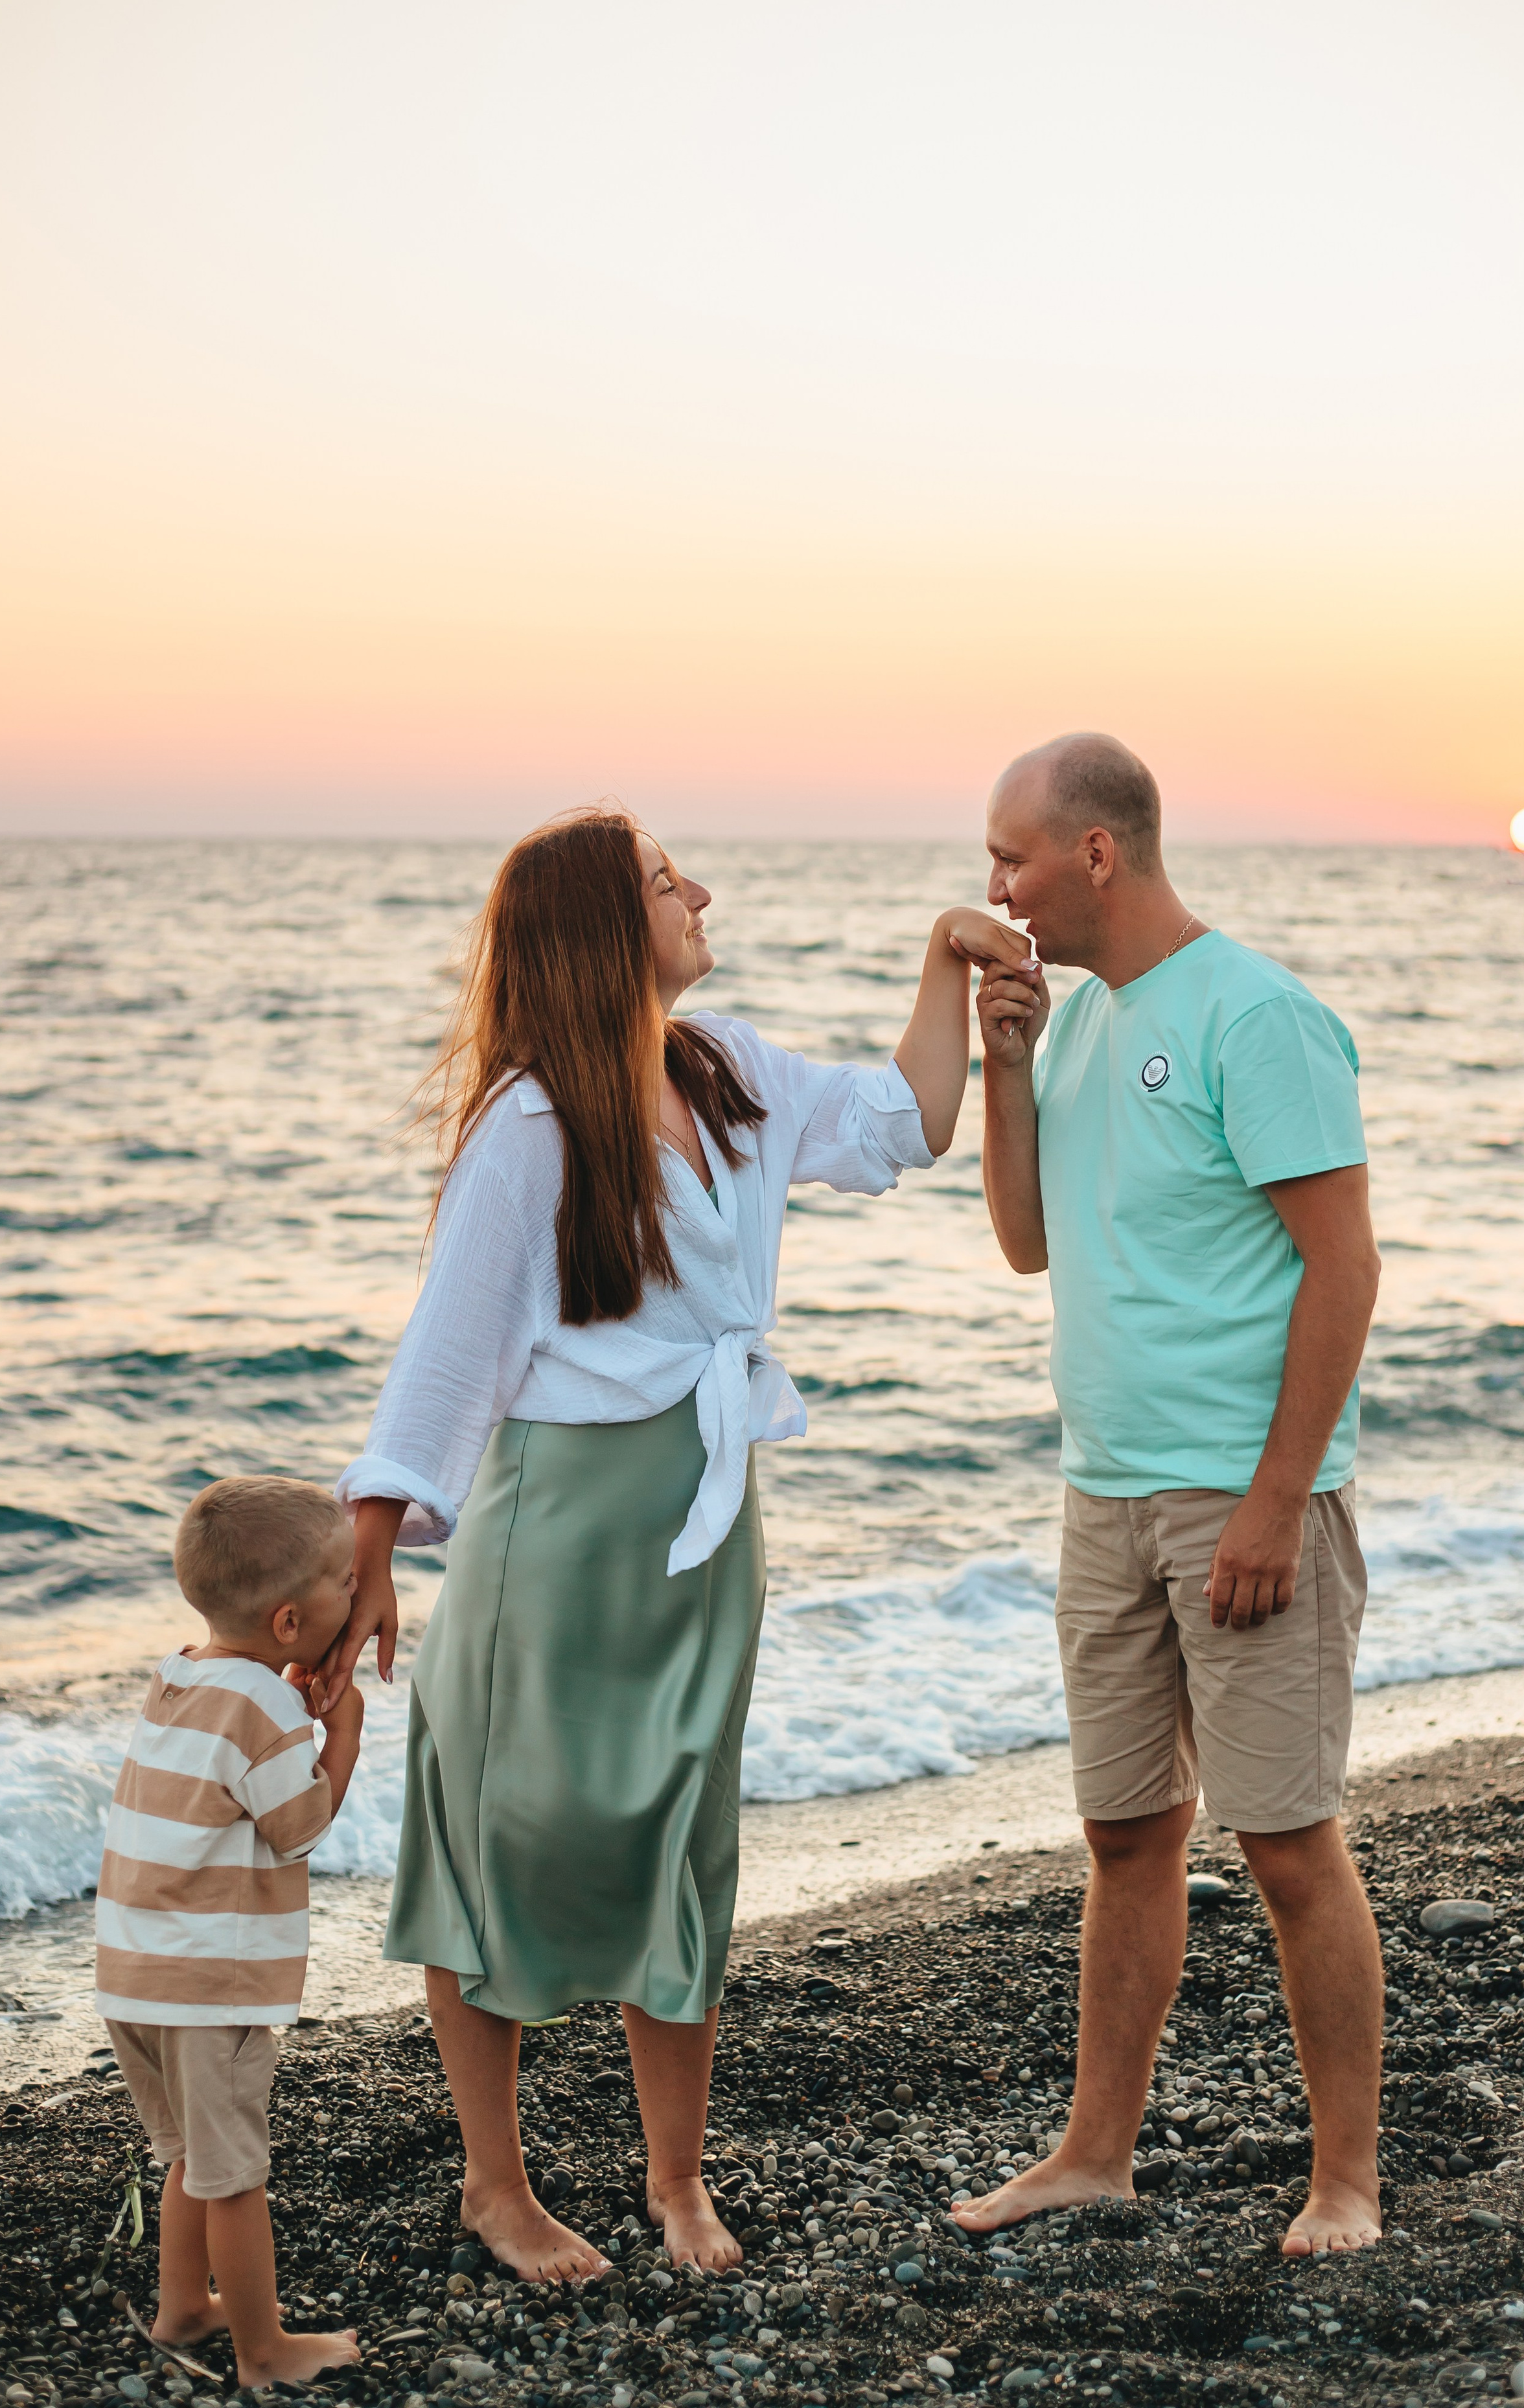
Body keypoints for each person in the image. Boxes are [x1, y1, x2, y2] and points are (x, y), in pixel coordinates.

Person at [323, 807, 1028, 2286]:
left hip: (705, 1523)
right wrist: (371, 1543)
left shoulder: (727, 1071)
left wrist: (944, 967)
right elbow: (447, 1356)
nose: (698, 890)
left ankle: (674, 2180)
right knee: (499, 1834)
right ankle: (495, 2185)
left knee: (680, 1838)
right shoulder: (528, 1126)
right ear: (599, 925)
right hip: (558, 1532)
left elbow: (908, 1119)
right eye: (663, 880)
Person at [952, 734, 1383, 2260]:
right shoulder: (1074, 1029)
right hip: (1103, 1495)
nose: (990, 883)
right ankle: (1092, 2153)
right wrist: (1004, 1063)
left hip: (1236, 1499)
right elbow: (1025, 1241)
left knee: (1284, 1840)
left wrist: (1276, 1501)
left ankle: (1344, 2180)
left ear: (1093, 854)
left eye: (1010, 854)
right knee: (1126, 1833)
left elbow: (1343, 1267)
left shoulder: (1252, 1015)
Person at [93, 1476, 365, 2383]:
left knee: (185, 2156)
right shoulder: (270, 1709)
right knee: (236, 2173)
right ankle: (264, 2348)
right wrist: (343, 1736)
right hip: (212, 1987)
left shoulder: (179, 1675)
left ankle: (183, 2305)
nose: (359, 1592)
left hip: (134, 1975)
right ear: (290, 1623)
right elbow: (301, 1828)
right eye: (344, 1580)